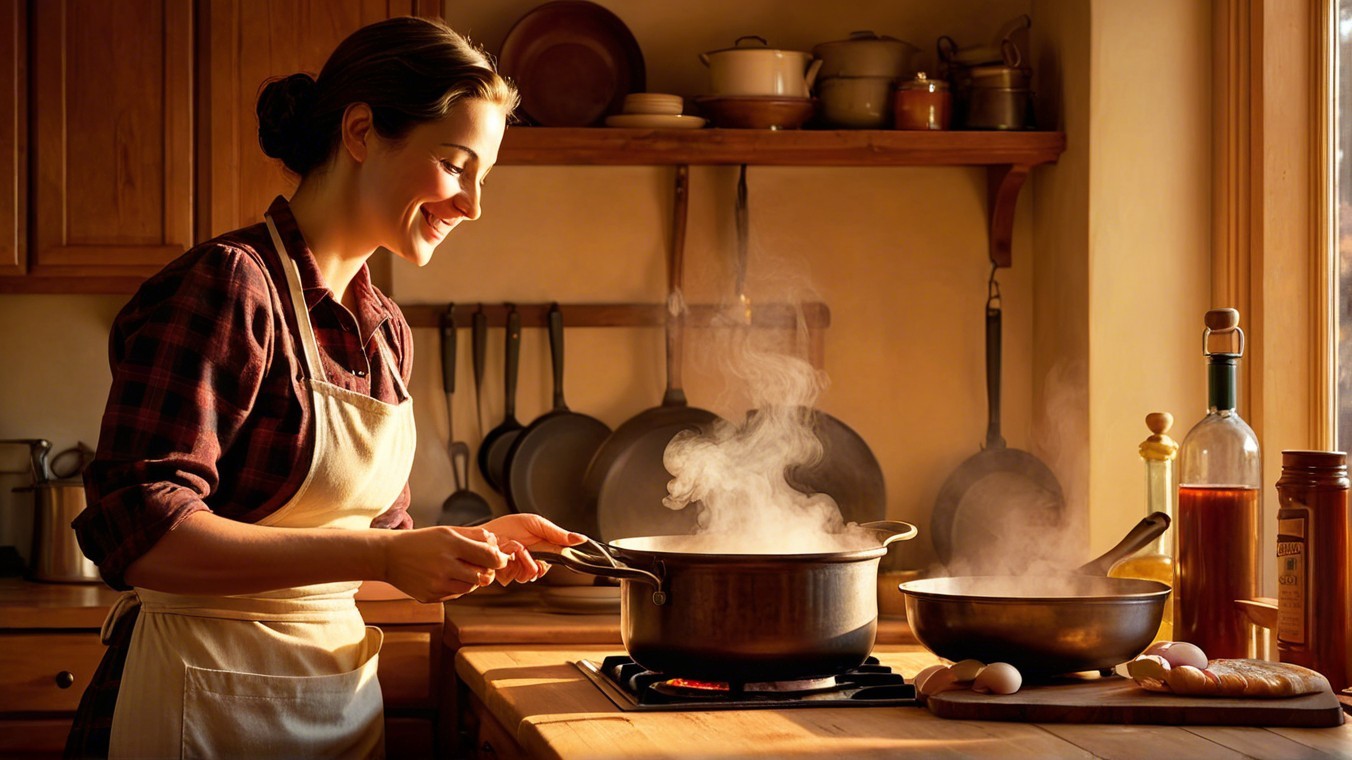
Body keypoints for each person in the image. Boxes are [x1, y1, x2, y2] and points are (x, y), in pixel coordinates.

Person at [64, 16, 582, 759]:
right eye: (455, 164)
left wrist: (474, 545)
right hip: (196, 704)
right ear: (364, 131)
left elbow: (374, 541)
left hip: (332, 710)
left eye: (483, 178)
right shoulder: (232, 286)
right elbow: (141, 532)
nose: (471, 204)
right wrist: (378, 559)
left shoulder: (384, 328)